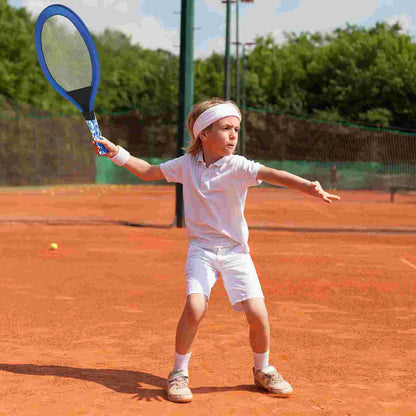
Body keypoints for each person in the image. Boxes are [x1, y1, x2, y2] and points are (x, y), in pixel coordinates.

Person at [94, 98, 341, 403]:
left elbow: (272, 174)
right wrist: (116, 152)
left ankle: (263, 369)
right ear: (203, 134)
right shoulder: (186, 165)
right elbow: (147, 171)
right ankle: (178, 373)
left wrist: (309, 186)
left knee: (258, 313)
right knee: (195, 307)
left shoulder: (238, 166)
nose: (233, 134)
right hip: (202, 251)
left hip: (237, 252)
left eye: (236, 128)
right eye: (226, 128)